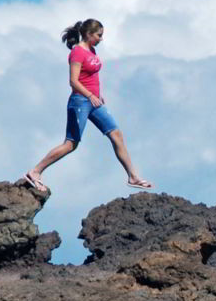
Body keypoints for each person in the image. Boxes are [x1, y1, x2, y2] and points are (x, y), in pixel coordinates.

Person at [21, 18, 152, 194]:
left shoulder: (92, 50)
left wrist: (98, 94)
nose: (101, 39)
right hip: (80, 102)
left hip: (95, 102)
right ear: (89, 34)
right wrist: (90, 95)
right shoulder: (77, 53)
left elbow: (91, 77)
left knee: (116, 134)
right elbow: (73, 81)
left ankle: (133, 176)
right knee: (71, 144)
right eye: (99, 35)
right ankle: (35, 171)